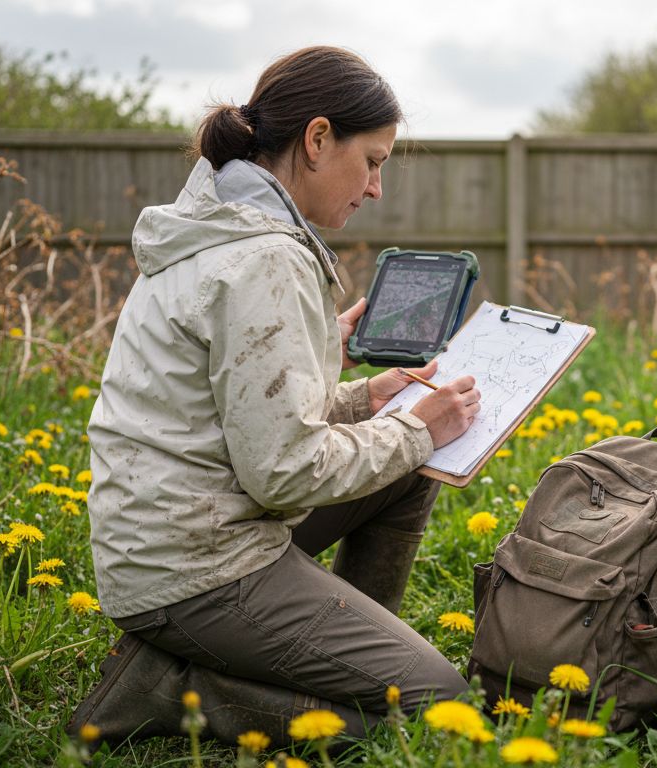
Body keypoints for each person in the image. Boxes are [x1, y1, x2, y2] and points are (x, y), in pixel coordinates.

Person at [67, 46, 482, 750]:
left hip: (169, 535)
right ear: (318, 139)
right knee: (435, 706)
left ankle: (336, 657)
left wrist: (364, 396)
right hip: (194, 566)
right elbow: (283, 469)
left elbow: (240, 422)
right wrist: (418, 427)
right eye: (374, 161)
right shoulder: (264, 256)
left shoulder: (220, 226)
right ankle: (174, 690)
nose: (377, 187)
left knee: (405, 462)